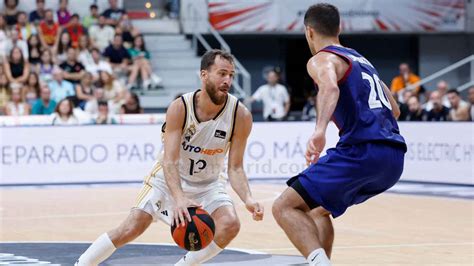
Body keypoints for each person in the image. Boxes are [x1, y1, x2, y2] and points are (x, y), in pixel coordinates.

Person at [75, 49, 264, 266]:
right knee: (132, 227)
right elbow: (170, 160)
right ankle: (82, 264)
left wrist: (248, 199)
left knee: (230, 224)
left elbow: (236, 168)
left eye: (231, 75)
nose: (227, 80)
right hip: (167, 180)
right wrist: (180, 197)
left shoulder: (241, 115)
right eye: (222, 73)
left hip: (208, 183)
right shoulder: (180, 108)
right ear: (204, 75)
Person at [271, 4, 406, 266]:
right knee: (319, 210)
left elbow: (330, 88)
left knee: (283, 207)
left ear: (308, 31)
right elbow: (396, 110)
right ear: (339, 28)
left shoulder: (321, 59)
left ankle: (320, 263)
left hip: (361, 152)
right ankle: (322, 261)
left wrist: (319, 130)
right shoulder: (362, 60)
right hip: (394, 158)